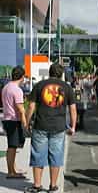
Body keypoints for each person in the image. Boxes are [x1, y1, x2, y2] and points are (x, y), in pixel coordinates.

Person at [25, 63, 77, 193]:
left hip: (40, 125)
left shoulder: (39, 85)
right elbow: (73, 109)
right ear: (61, 74)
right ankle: (53, 185)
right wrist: (73, 126)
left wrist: (26, 122)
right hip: (59, 127)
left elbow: (31, 106)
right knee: (56, 156)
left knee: (38, 155)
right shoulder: (67, 88)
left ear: (49, 72)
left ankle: (37, 185)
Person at [1, 66, 27, 179]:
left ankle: (13, 168)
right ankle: (11, 171)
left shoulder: (6, 87)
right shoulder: (17, 90)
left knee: (12, 145)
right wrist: (25, 124)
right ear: (22, 77)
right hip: (13, 120)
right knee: (12, 146)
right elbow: (21, 109)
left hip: (7, 119)